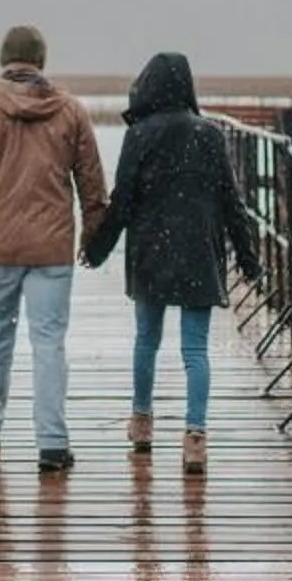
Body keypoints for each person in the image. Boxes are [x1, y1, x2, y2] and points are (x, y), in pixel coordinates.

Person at [0, 24, 108, 475]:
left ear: (3, 59)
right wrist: (93, 236)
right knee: (48, 342)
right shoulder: (69, 111)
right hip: (51, 246)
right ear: (41, 61)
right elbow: (92, 182)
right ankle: (52, 442)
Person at [82, 51, 260, 474]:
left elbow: (122, 202)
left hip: (151, 252)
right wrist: (248, 257)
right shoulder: (210, 134)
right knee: (195, 349)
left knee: (147, 339)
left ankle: (142, 424)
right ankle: (195, 438)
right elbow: (232, 203)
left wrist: (97, 248)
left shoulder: (140, 134)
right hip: (199, 253)